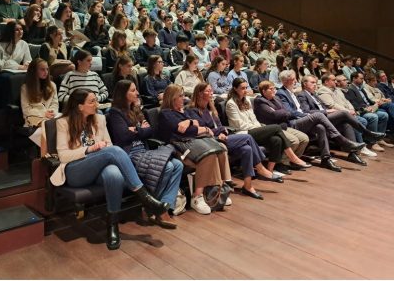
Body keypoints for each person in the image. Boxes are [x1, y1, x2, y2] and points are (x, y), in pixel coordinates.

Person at [49, 89, 169, 250]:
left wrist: (100, 150)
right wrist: (90, 150)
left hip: (100, 165)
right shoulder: (63, 122)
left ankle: (112, 225)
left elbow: (109, 146)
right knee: (114, 152)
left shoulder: (99, 119)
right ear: (79, 106)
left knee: (114, 174)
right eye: (91, 101)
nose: (96, 104)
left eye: (95, 100)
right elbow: (63, 156)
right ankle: (145, 196)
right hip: (75, 170)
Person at [108, 80, 183, 228]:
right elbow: (123, 136)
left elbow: (150, 131)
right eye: (133, 90)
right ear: (123, 94)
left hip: (144, 150)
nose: (137, 93)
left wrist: (135, 130)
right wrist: (140, 129)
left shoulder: (136, 109)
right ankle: (158, 211)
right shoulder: (115, 113)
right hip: (129, 155)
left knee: (178, 164)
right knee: (167, 166)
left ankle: (163, 205)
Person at [188, 83, 280, 200]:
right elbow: (200, 131)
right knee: (248, 137)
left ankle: (248, 186)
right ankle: (261, 168)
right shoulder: (193, 111)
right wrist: (219, 131)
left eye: (212, 90)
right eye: (208, 91)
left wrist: (223, 132)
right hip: (209, 142)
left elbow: (222, 127)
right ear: (200, 93)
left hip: (221, 138)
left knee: (247, 149)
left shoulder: (211, 107)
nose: (212, 93)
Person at [158, 84, 232, 214]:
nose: (183, 98)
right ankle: (197, 197)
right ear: (172, 98)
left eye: (183, 95)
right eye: (180, 96)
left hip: (191, 142)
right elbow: (183, 131)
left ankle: (219, 189)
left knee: (221, 149)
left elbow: (195, 125)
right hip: (177, 147)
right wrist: (193, 125)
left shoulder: (182, 111)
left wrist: (190, 122)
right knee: (208, 155)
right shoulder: (165, 113)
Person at [276, 71, 368, 170]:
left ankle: (326, 159)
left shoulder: (293, 93)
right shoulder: (282, 93)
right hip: (294, 122)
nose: (295, 81)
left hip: (307, 119)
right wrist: (308, 114)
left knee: (322, 127)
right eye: (293, 79)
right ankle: (348, 138)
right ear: (286, 81)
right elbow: (290, 113)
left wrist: (317, 113)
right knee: (340, 113)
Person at [226, 77, 311, 175]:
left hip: (255, 129)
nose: (245, 91)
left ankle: (270, 170)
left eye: (246, 88)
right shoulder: (231, 104)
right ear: (235, 89)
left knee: (276, 140)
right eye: (242, 88)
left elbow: (254, 118)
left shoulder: (247, 101)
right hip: (243, 133)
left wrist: (258, 127)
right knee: (276, 127)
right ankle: (293, 157)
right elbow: (239, 124)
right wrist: (257, 128)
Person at [20, 58, 58, 129]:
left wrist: (52, 112)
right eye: (42, 69)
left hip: (50, 117)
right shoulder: (25, 88)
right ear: (34, 71)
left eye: (47, 69)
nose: (46, 72)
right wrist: (44, 113)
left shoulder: (52, 85)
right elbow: (26, 110)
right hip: (34, 119)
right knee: (49, 127)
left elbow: (55, 103)